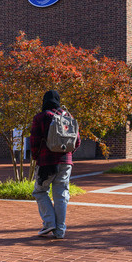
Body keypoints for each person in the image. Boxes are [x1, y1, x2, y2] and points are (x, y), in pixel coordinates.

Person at [29, 90, 81, 239]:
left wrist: (35, 157)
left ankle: (49, 223)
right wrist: (67, 154)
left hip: (46, 162)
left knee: (40, 191)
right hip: (66, 162)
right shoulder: (68, 116)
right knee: (61, 195)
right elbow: (77, 141)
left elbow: (34, 141)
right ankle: (60, 231)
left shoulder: (41, 117)